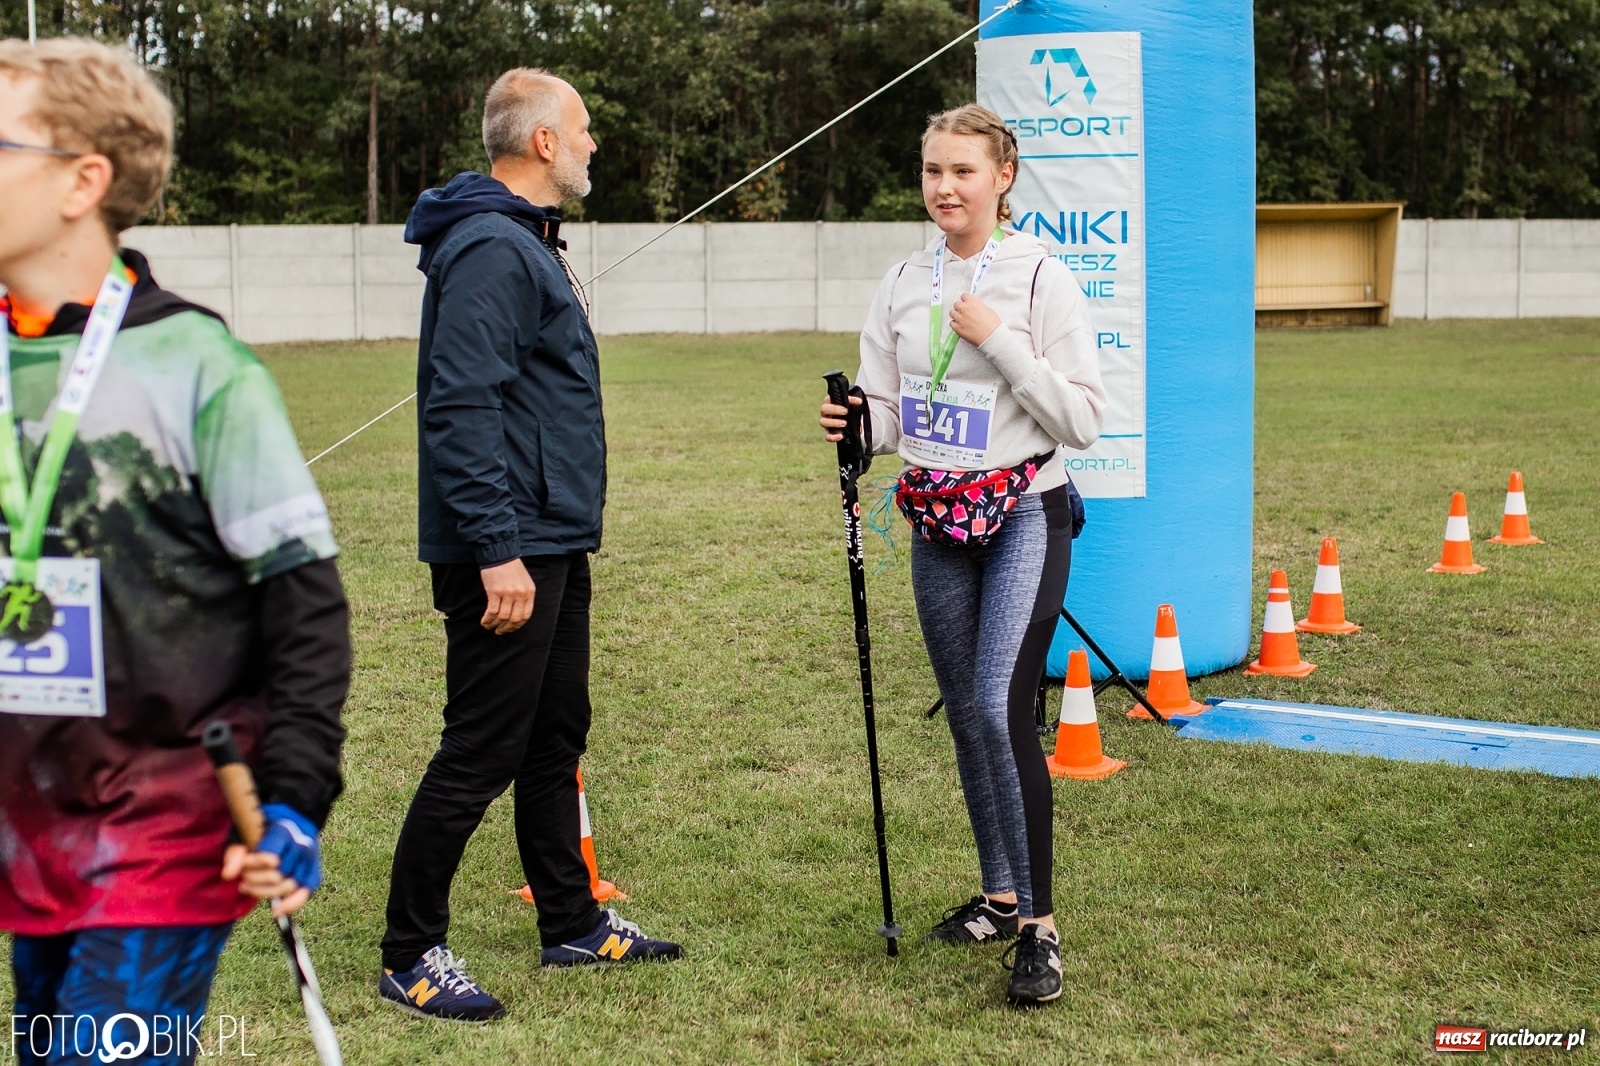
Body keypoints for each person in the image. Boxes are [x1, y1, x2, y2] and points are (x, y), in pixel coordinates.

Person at [0, 37, 349, 1063]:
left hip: (165, 820)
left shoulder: (198, 363)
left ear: (83, 180)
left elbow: (304, 601)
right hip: (31, 819)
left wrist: (294, 799)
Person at [380, 67, 681, 1024]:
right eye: (584, 130)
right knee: (480, 746)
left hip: (551, 536)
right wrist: (494, 549)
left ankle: (573, 921)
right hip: (507, 547)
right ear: (543, 143)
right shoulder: (489, 249)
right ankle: (408, 951)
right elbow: (459, 407)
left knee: (554, 736)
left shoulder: (525, 243)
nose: (594, 144)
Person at [819, 104, 1105, 1006]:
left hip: (1026, 508)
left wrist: (1001, 342)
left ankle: (1040, 929)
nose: (946, 187)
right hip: (937, 516)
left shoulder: (1039, 279)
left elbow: (1083, 421)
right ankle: (997, 893)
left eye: (964, 172)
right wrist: (859, 425)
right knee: (968, 717)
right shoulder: (903, 279)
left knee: (997, 703)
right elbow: (899, 411)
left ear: (1003, 178)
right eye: (933, 171)